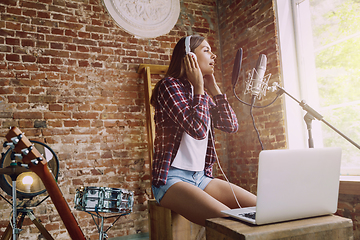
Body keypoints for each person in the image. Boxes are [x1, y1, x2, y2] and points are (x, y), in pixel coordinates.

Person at [150, 35, 256, 226]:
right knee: (230, 221)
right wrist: (199, 86)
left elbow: (231, 125)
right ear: (189, 57)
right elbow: (197, 129)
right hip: (172, 178)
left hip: (201, 177)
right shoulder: (169, 86)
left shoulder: (203, 94)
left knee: (261, 208)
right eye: (206, 50)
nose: (213, 56)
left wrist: (213, 88)